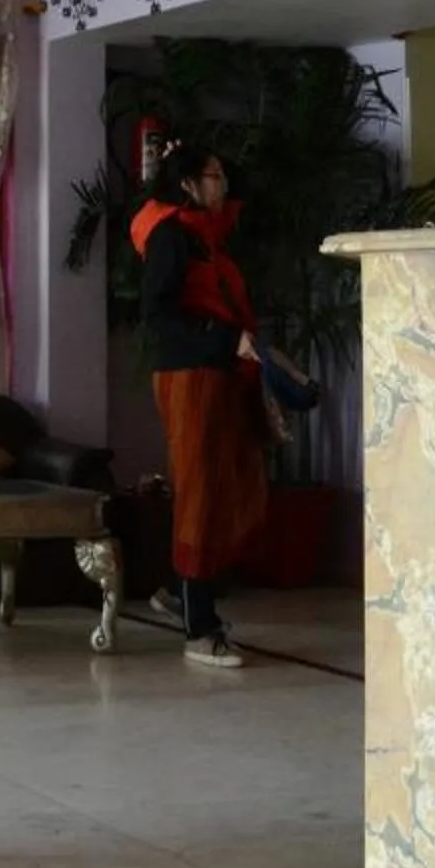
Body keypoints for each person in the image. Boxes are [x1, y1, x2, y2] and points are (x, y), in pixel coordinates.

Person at [130, 145, 311, 666]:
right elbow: (158, 316)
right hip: (192, 376)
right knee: (203, 497)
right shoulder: (170, 235)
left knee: (231, 489)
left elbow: (249, 190)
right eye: (214, 176)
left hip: (223, 373)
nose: (224, 185)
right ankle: (200, 630)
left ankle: (175, 592)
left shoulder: (203, 232)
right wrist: (222, 338)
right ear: (188, 184)